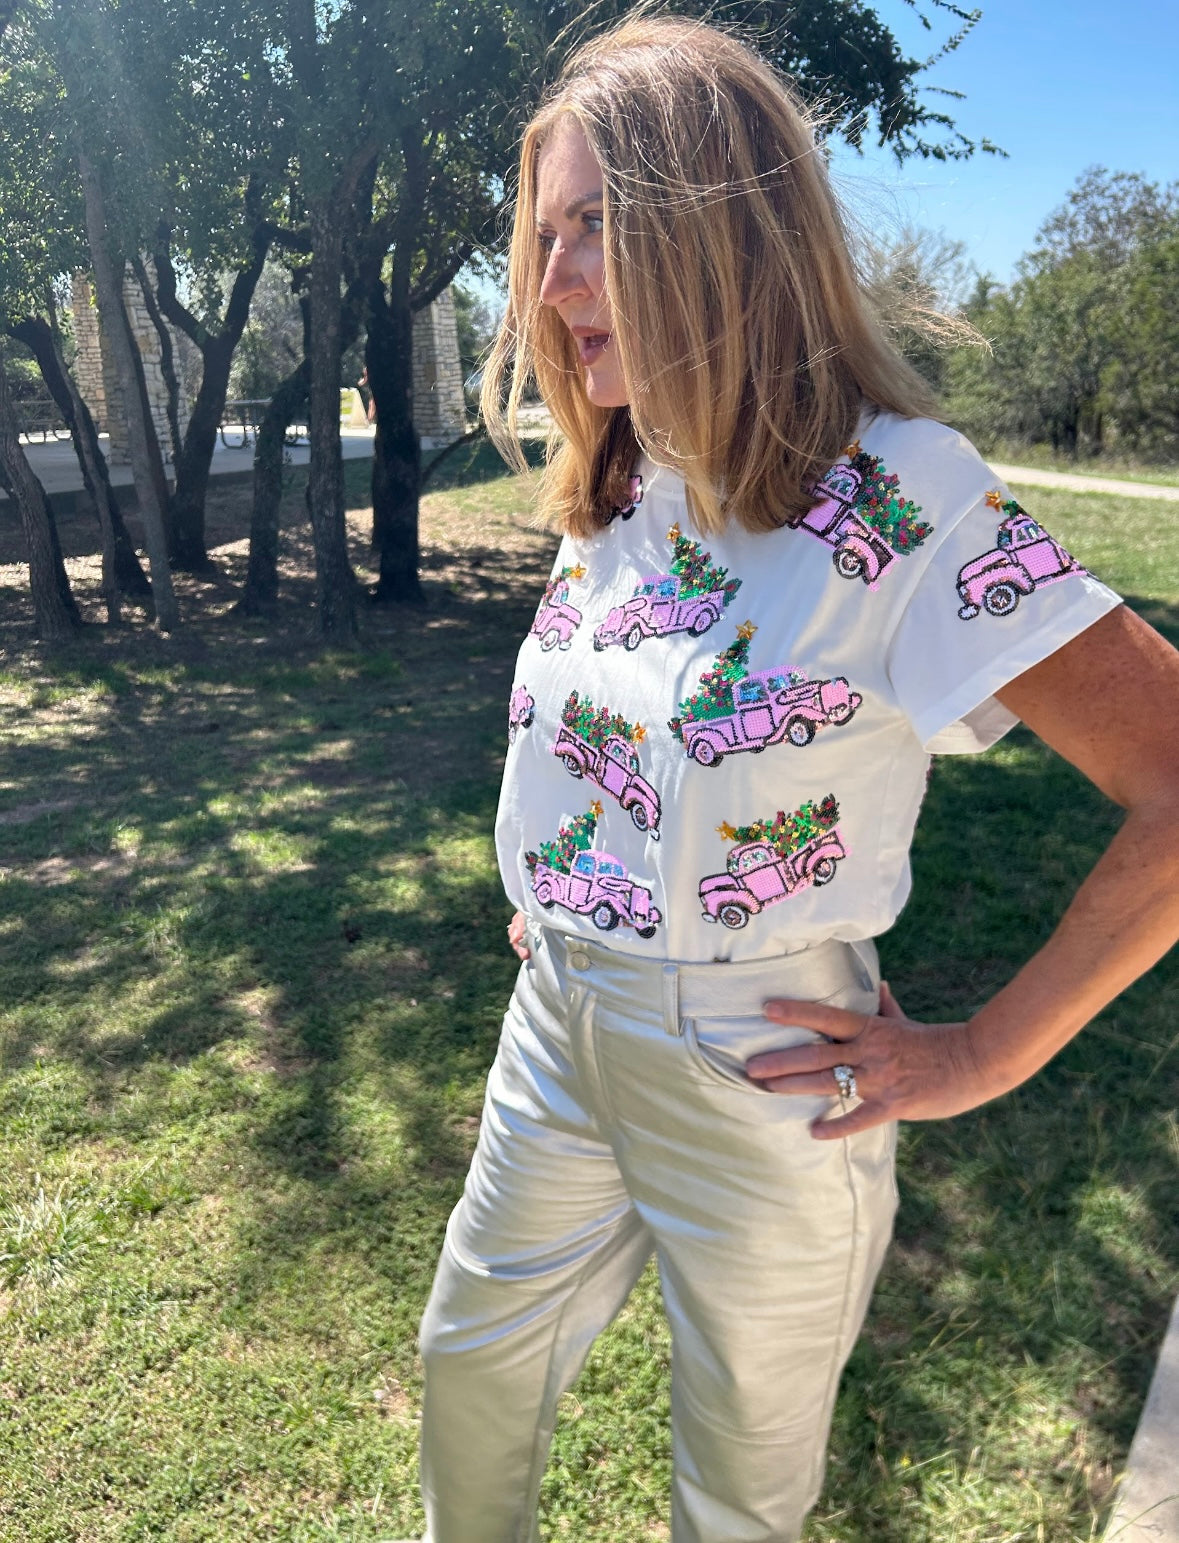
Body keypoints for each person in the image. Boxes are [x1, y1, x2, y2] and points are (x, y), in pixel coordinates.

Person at [407, 17, 1179, 1543]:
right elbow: (607, 742)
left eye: (593, 231)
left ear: (721, 233)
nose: (549, 288)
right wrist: (577, 885)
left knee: (737, 1490)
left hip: (764, 1068)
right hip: (557, 1021)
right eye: (542, 235)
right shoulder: (623, 483)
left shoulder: (904, 498)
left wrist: (985, 1055)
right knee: (468, 1368)